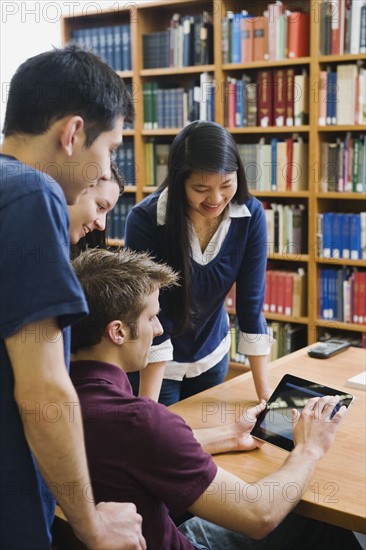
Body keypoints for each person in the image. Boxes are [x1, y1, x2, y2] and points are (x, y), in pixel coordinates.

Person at [69, 247, 361, 550]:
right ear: (117, 331)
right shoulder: (139, 420)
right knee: (316, 522)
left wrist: (228, 435)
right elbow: (259, 514)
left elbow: (137, 451)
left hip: (155, 531)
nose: (158, 330)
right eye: (152, 317)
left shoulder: (57, 395)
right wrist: (309, 448)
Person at [0, 44, 146, 549]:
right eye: (109, 150)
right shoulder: (30, 192)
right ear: (73, 133)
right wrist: (93, 526)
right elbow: (44, 392)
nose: (103, 166)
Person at [125, 120, 272, 405]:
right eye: (201, 188)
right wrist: (149, 413)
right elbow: (150, 315)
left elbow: (251, 306)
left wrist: (264, 395)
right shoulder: (146, 221)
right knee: (160, 442)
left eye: (226, 184)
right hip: (157, 366)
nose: (216, 198)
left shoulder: (250, 215)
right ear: (180, 181)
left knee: (207, 443)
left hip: (212, 357)